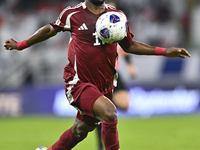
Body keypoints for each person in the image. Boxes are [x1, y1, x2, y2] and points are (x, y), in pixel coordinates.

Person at [3, 0, 191, 150]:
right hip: (78, 83)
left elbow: (129, 45)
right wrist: (21, 45)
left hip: (105, 85)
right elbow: (50, 29)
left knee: (80, 131)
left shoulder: (116, 16)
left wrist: (164, 51)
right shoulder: (72, 14)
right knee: (109, 113)